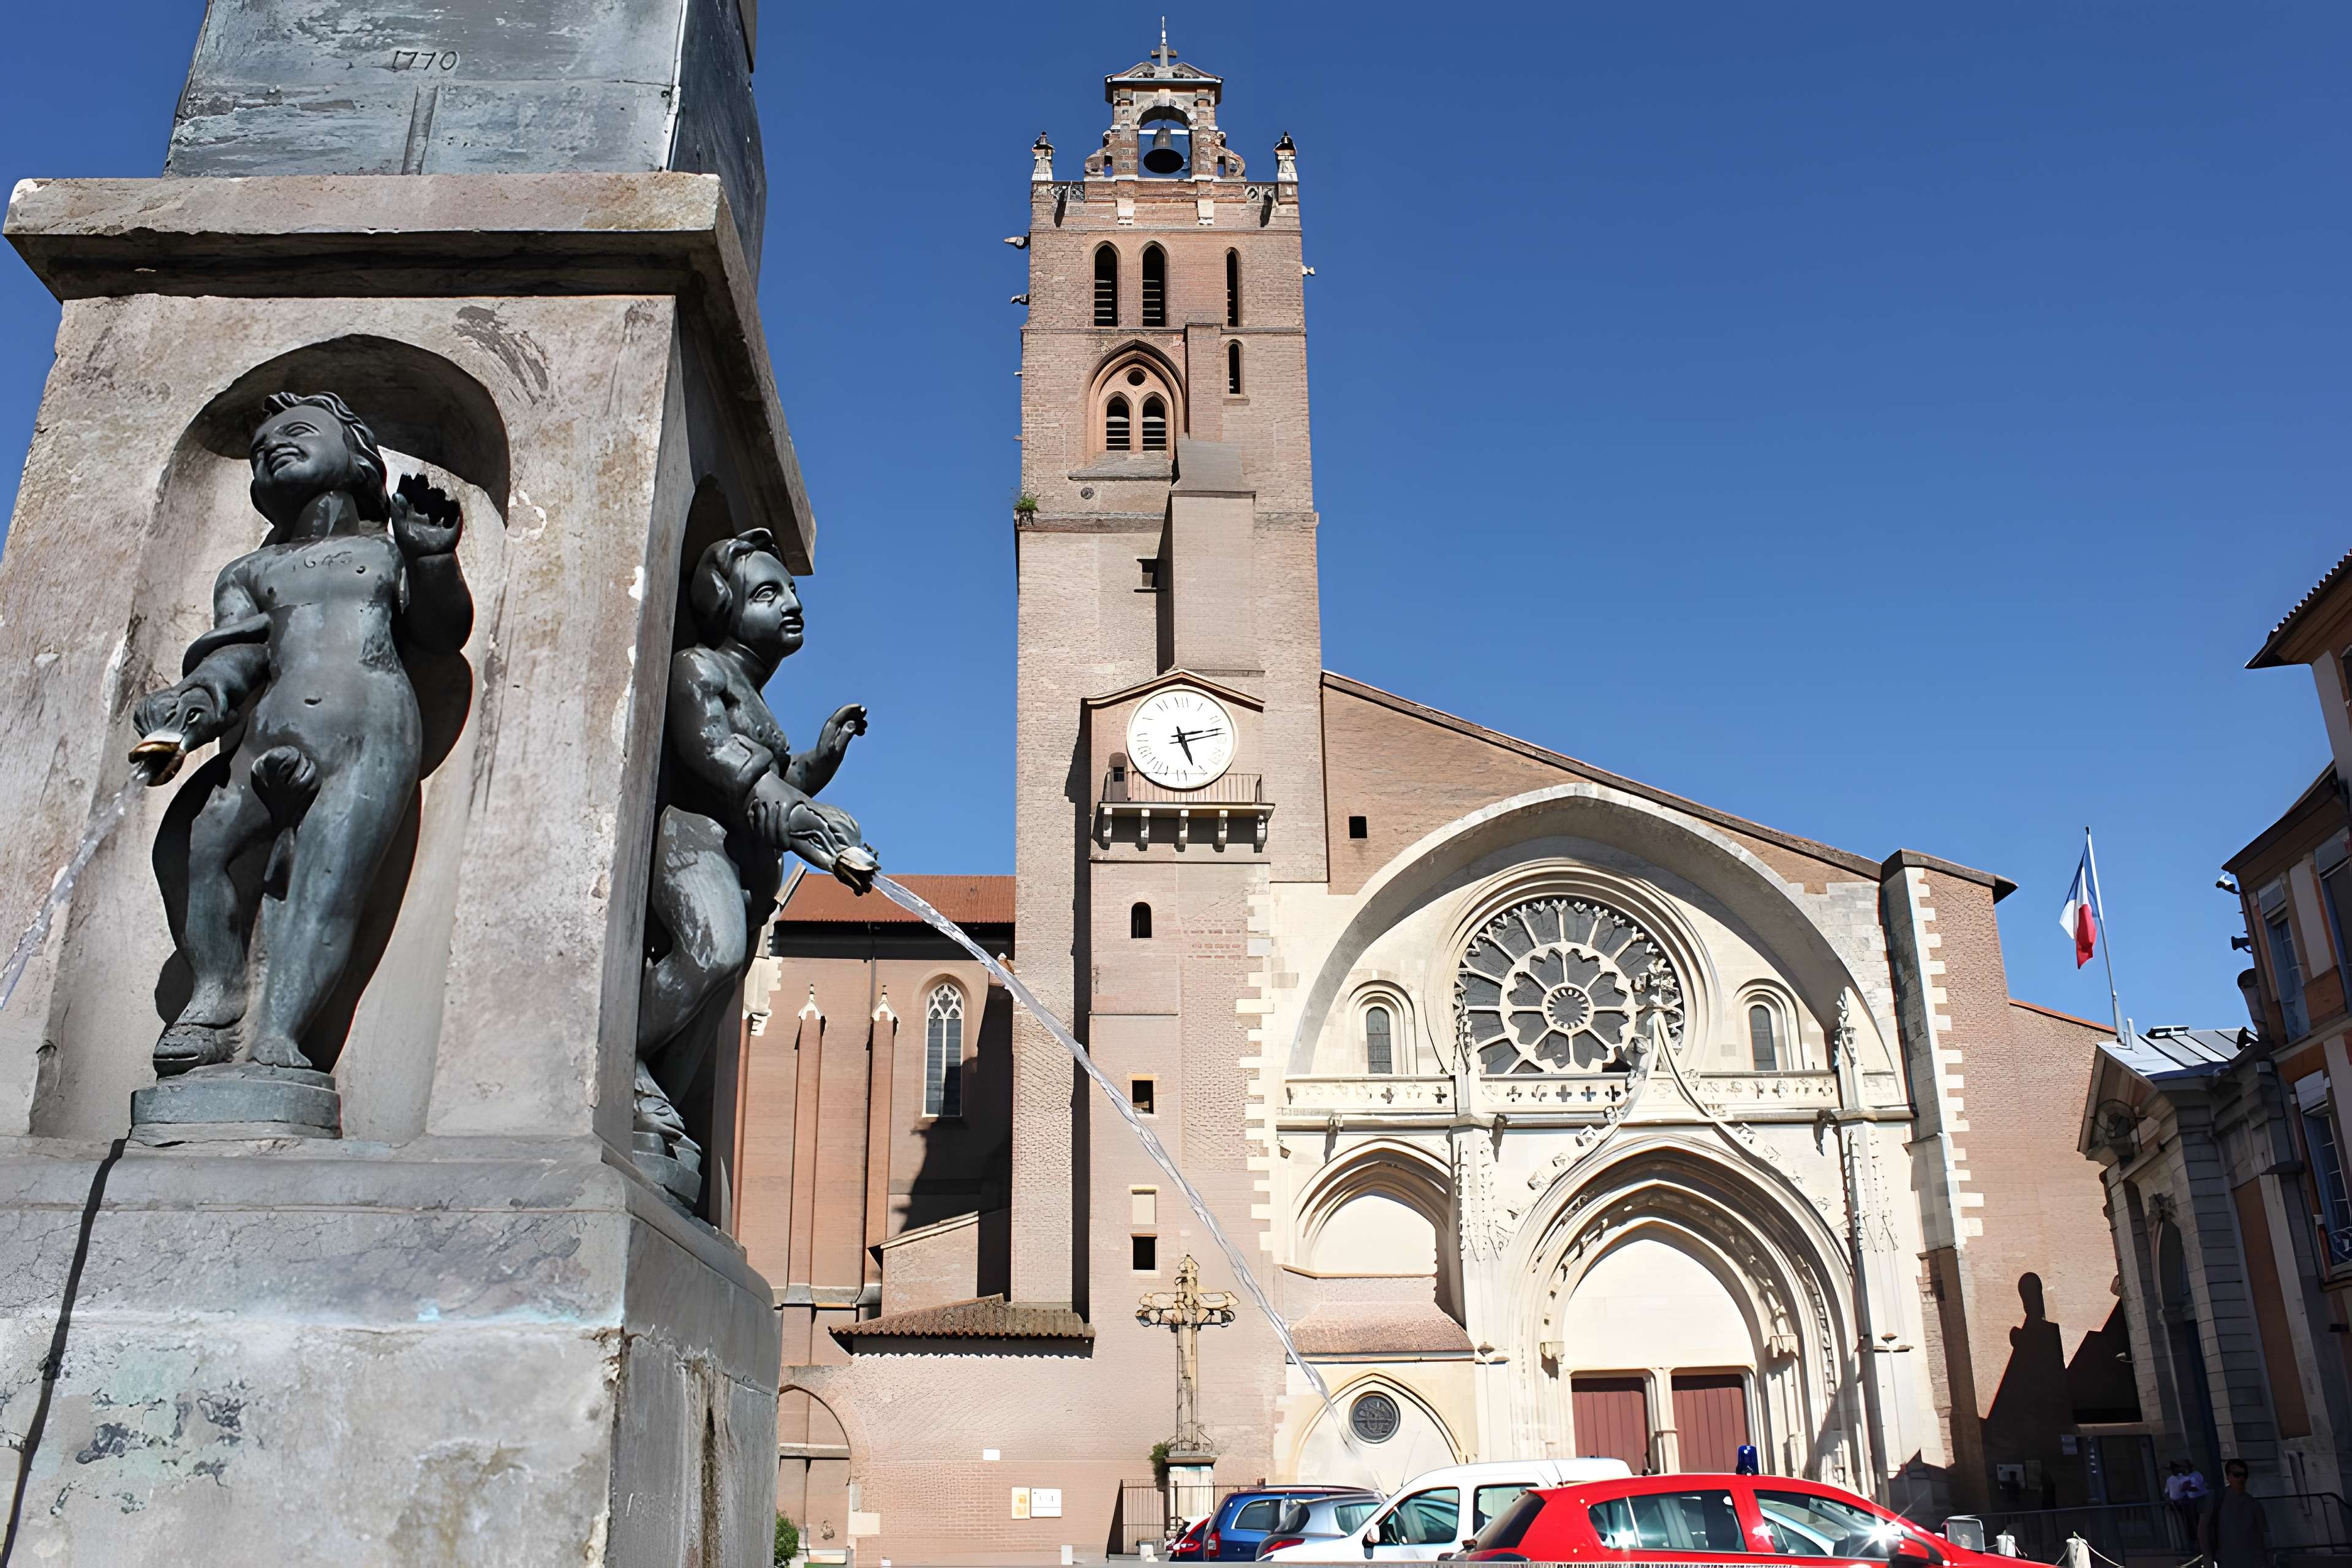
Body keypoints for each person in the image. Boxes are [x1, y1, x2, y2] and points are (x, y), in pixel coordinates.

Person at [2201, 1459, 2267, 1568]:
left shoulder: (2254, 1504)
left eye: (2244, 1475)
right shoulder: (2216, 1498)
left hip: (2251, 1561)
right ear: (2228, 1477)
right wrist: (2207, 1556)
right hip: (2225, 1560)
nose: (2241, 1479)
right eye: (2237, 1475)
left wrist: (2265, 1562)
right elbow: (2203, 1528)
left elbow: (2262, 1535)